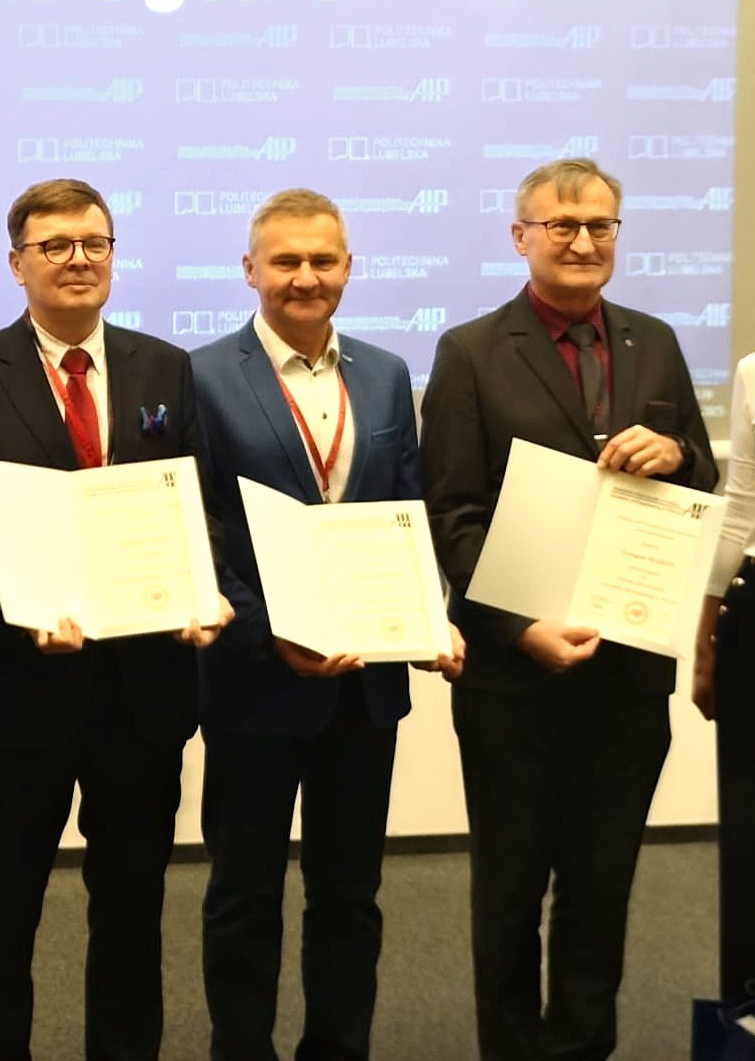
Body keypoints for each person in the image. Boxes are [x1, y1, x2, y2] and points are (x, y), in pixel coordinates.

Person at [0, 177, 230, 1061]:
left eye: (94, 242)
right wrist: (20, 609)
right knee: (1, 915)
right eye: (53, 245)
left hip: (143, 695)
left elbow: (198, 508)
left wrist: (197, 588)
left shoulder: (164, 368)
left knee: (131, 914)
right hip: (15, 696)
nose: (77, 259)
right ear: (15, 263)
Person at [420, 158, 715, 1061]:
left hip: (627, 668)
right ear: (521, 236)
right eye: (562, 225)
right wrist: (520, 629)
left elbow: (703, 475)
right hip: (513, 675)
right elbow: (452, 513)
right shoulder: (470, 350)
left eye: (600, 226)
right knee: (509, 888)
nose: (583, 241)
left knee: (600, 887)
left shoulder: (654, 341)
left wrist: (676, 452)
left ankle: (585, 1048)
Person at [190, 190, 463, 1061]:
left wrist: (427, 617)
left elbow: (406, 511)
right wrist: (264, 631)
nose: (304, 277)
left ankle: (337, 1048)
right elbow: (199, 529)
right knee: (243, 891)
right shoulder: (199, 375)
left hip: (364, 686)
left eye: (322, 260)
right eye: (285, 261)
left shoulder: (384, 373)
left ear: (348, 266)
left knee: (350, 893)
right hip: (254, 677)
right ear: (250, 270)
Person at [696, 351, 755, 1005]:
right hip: (753, 611)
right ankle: (746, 1008)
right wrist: (704, 639)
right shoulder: (750, 372)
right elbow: (739, 503)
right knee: (748, 826)